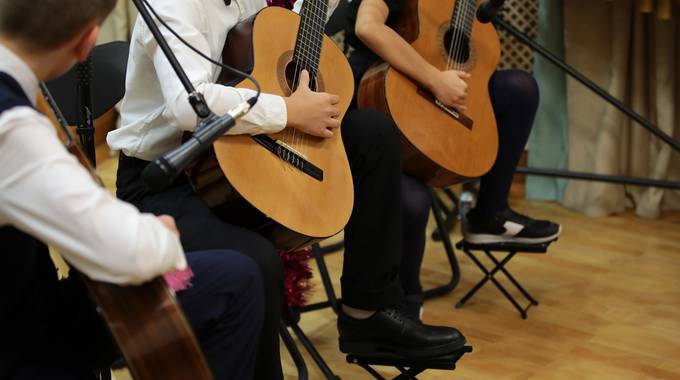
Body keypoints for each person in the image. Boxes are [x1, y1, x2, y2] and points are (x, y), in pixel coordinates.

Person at [107, 0, 466, 374]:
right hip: (166, 178)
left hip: (242, 150)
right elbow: (189, 105)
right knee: (255, 260)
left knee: (372, 136)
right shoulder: (173, 4)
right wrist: (288, 111)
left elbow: (286, 35)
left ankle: (368, 312)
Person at [0, 1, 265, 378]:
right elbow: (127, 253)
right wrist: (161, 235)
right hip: (21, 342)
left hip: (24, 300)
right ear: (86, 43)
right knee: (237, 280)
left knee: (232, 275)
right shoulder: (12, 131)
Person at [345, 0, 562, 316]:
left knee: (519, 89)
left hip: (435, 91)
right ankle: (400, 306)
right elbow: (368, 26)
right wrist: (434, 79)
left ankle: (490, 214)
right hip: (382, 93)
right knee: (413, 198)